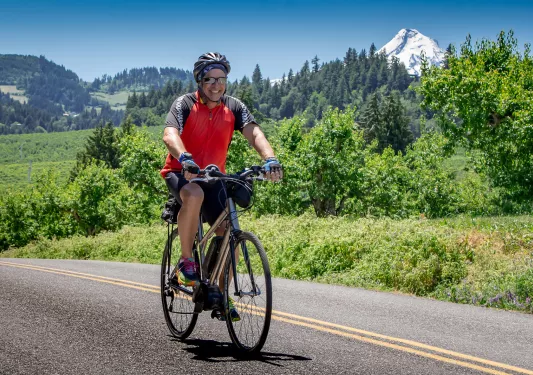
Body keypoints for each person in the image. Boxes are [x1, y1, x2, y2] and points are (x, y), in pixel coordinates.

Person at [160, 52, 282, 320]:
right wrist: (185, 158)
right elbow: (170, 134)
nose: (216, 85)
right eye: (209, 79)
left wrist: (270, 159)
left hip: (214, 176)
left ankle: (220, 292)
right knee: (193, 193)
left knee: (229, 231)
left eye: (221, 79)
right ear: (199, 80)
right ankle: (185, 261)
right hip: (183, 172)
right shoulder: (184, 104)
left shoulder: (234, 107)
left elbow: (254, 132)